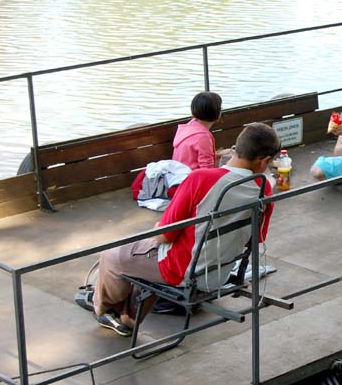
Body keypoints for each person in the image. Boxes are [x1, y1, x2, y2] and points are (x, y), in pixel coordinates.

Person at [90, 123, 280, 336]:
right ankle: (128, 315)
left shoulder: (200, 178)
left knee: (112, 256)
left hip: (183, 270)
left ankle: (102, 308)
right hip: (220, 271)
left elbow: (164, 236)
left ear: (237, 148)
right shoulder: (264, 189)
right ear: (264, 161)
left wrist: (160, 228)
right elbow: (256, 238)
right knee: (142, 253)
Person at [172, 91, 224, 170]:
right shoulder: (203, 137)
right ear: (216, 112)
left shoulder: (188, 127)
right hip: (191, 175)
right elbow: (207, 169)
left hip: (178, 173)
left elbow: (193, 156)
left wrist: (218, 155)